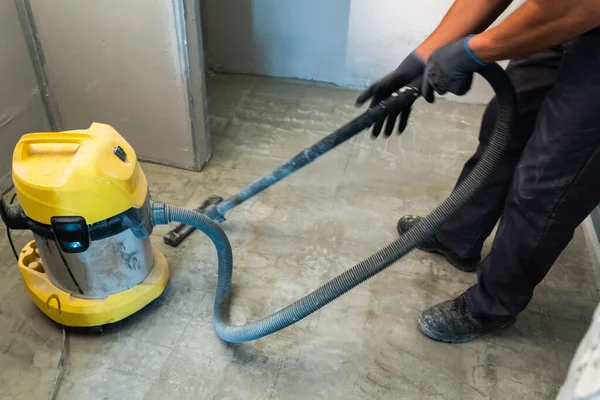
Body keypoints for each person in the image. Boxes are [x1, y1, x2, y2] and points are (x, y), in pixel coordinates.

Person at [357, 0, 600, 343]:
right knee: (504, 128)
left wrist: (472, 51)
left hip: (580, 10)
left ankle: (493, 303)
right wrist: (424, 56)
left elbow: (580, 6)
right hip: (569, 14)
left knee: (550, 180)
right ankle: (458, 237)